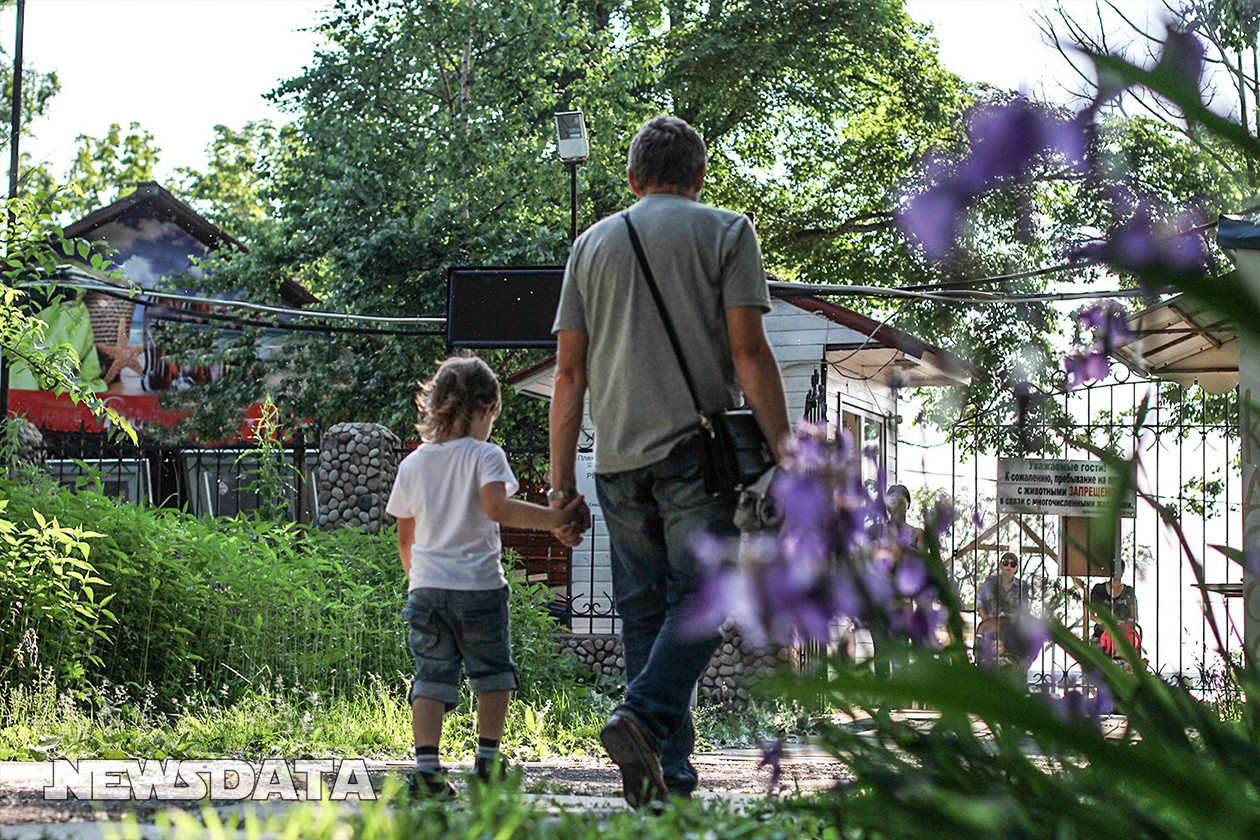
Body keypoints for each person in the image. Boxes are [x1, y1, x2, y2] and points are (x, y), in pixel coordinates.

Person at [548, 114, 791, 807]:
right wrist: (785, 450)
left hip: (616, 462)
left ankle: (668, 782)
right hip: (694, 456)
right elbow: (748, 353)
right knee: (704, 599)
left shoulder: (591, 245)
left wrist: (562, 485)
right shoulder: (726, 231)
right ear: (701, 177)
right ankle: (646, 716)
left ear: (632, 179)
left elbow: (569, 373)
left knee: (645, 615)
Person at [386, 355, 586, 798]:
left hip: (427, 589)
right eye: (492, 415)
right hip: (478, 587)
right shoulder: (485, 454)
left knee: (431, 677)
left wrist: (417, 579)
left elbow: (405, 534)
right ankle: (488, 762)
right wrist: (556, 519)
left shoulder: (413, 465)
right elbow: (498, 508)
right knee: (493, 673)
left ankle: (427, 771)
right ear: (484, 409)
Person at [976, 552, 1034, 667]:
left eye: (1013, 564)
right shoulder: (989, 583)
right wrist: (987, 620)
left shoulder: (1023, 586)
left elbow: (1024, 610)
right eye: (1006, 563)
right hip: (991, 623)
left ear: (1016, 568)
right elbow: (979, 604)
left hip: (1011, 624)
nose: (1009, 566)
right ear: (1000, 565)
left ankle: (1014, 668)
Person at [1089, 560, 1138, 650]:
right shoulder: (1098, 590)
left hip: (1123, 636)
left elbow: (1134, 617)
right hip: (1102, 634)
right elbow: (1092, 615)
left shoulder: (1129, 592)